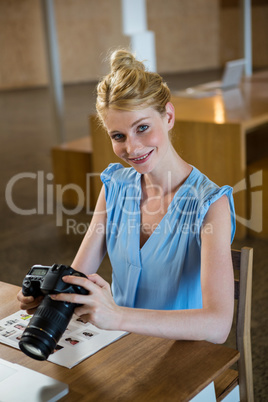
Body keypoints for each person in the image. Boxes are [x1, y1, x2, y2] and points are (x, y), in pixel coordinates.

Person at [18, 49, 236, 343]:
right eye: (118, 136)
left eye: (142, 128)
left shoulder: (210, 204)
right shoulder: (114, 187)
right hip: (120, 343)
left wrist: (117, 316)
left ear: (168, 116)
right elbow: (78, 276)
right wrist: (50, 300)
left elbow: (218, 325)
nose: (132, 149)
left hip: (180, 352)